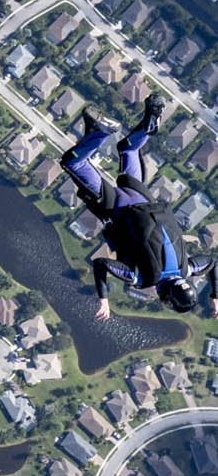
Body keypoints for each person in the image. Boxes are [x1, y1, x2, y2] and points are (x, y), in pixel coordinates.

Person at [61, 99, 214, 317]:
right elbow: (101, 264)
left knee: (128, 149)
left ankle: (147, 125)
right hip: (118, 208)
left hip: (145, 199)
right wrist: (103, 299)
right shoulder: (142, 278)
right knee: (73, 163)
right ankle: (100, 132)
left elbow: (212, 263)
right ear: (168, 296)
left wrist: (215, 296)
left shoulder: (187, 268)